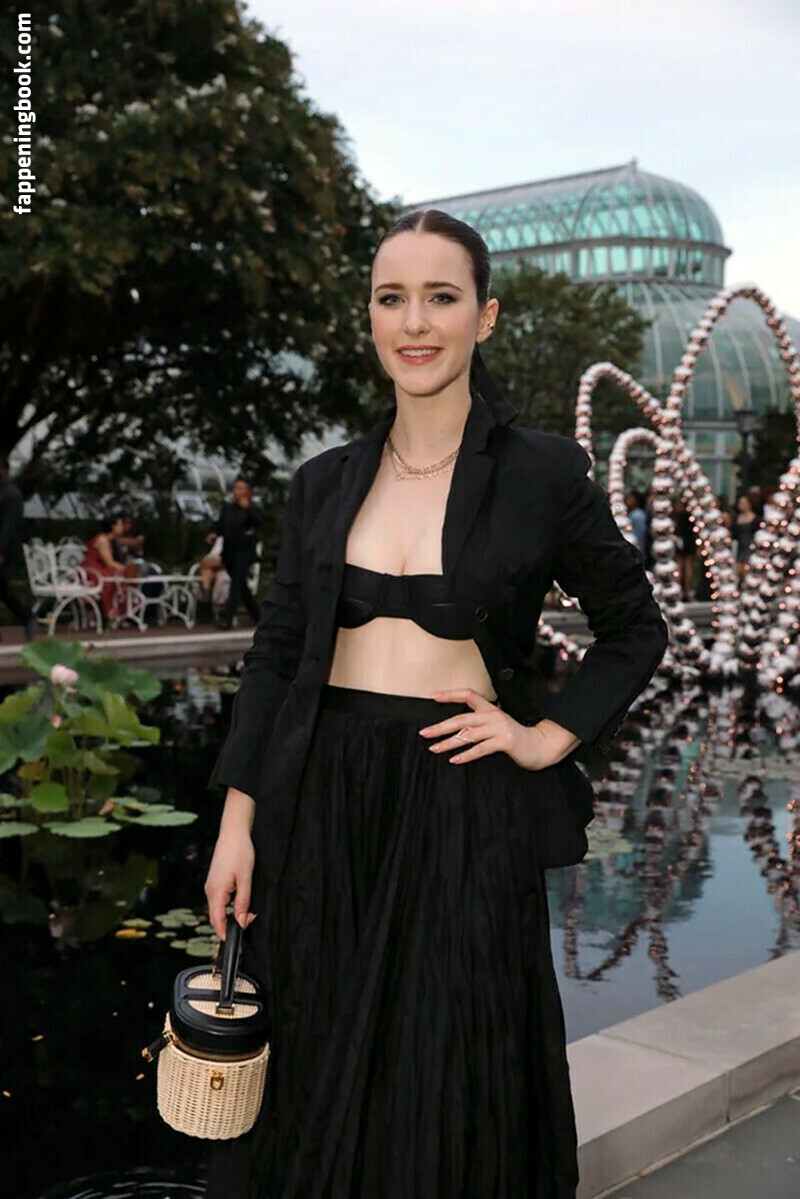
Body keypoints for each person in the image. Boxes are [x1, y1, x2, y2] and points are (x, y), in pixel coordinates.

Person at [203, 209, 670, 1198]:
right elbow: (276, 654)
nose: (414, 322)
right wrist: (238, 821)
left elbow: (635, 626)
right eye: (392, 297)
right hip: (322, 803)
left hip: (463, 800)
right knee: (316, 1067)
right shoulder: (322, 483)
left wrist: (543, 737)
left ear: (484, 316)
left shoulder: (540, 472)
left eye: (441, 297)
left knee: (448, 1076)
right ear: (371, 316)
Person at [208, 478, 262, 629]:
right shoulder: (228, 508)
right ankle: (257, 615)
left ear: (247, 492)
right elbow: (220, 525)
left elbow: (259, 523)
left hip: (244, 551)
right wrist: (213, 533)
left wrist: (248, 509)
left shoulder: (253, 508)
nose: (237, 492)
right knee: (241, 586)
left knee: (236, 585)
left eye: (241, 488)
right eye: (236, 488)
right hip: (229, 551)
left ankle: (228, 619)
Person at [0, 454, 37, 640]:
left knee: (3, 589)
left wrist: (1, 550)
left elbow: (9, 526)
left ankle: (27, 617)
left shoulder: (12, 495)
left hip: (5, 548)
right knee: (2, 589)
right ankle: (27, 618)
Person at [81, 514, 130, 620]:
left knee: (122, 577)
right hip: (93, 571)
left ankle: (122, 611)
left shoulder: (111, 540)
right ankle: (111, 613)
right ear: (113, 526)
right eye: (120, 524)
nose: (122, 527)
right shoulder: (102, 540)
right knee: (116, 579)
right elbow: (109, 562)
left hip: (99, 568)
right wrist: (126, 569)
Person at [733, 491, 760, 582]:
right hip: (739, 549)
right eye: (740, 503)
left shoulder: (755, 519)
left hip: (750, 548)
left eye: (744, 503)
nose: (741, 505)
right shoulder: (736, 519)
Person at [625, 488, 647, 555]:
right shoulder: (634, 513)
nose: (628, 500)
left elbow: (639, 536)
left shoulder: (637, 515)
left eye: (630, 498)